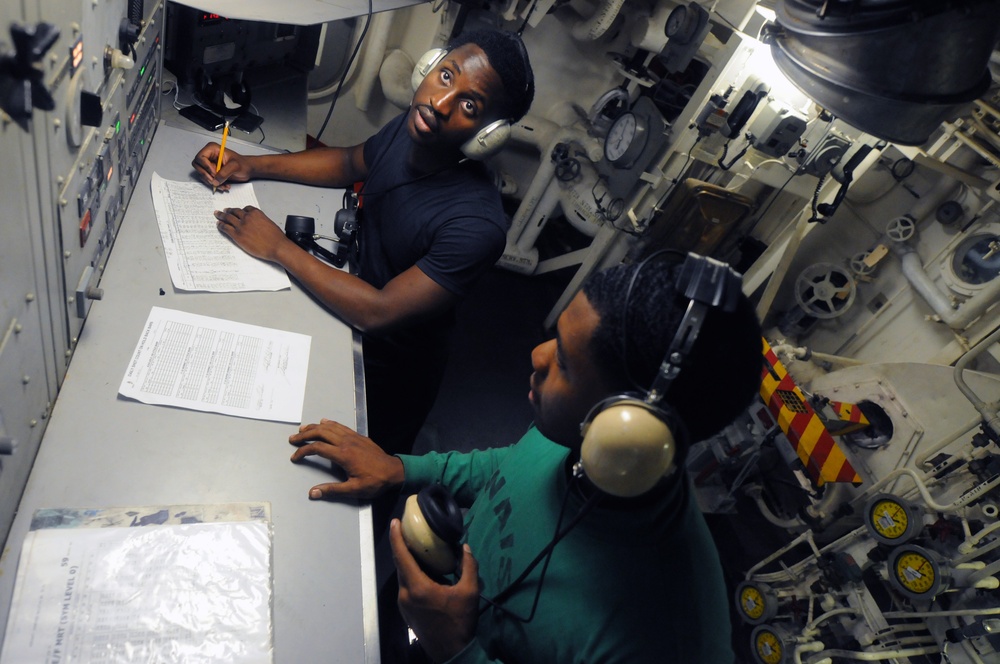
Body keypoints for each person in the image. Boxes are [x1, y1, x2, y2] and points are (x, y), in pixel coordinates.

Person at [288, 252, 763, 663]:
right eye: (555, 340)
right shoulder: (576, 442)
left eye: (565, 364)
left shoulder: (668, 642)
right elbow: (508, 467)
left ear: (624, 432)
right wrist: (404, 468)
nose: (536, 355)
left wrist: (456, 649)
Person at [190, 29, 535, 459]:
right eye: (446, 76)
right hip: (342, 293)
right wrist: (252, 166)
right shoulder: (414, 128)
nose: (440, 104)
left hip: (383, 371)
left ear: (489, 134)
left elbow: (379, 311)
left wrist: (278, 247)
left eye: (470, 105)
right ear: (429, 67)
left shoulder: (477, 225)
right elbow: (351, 161)